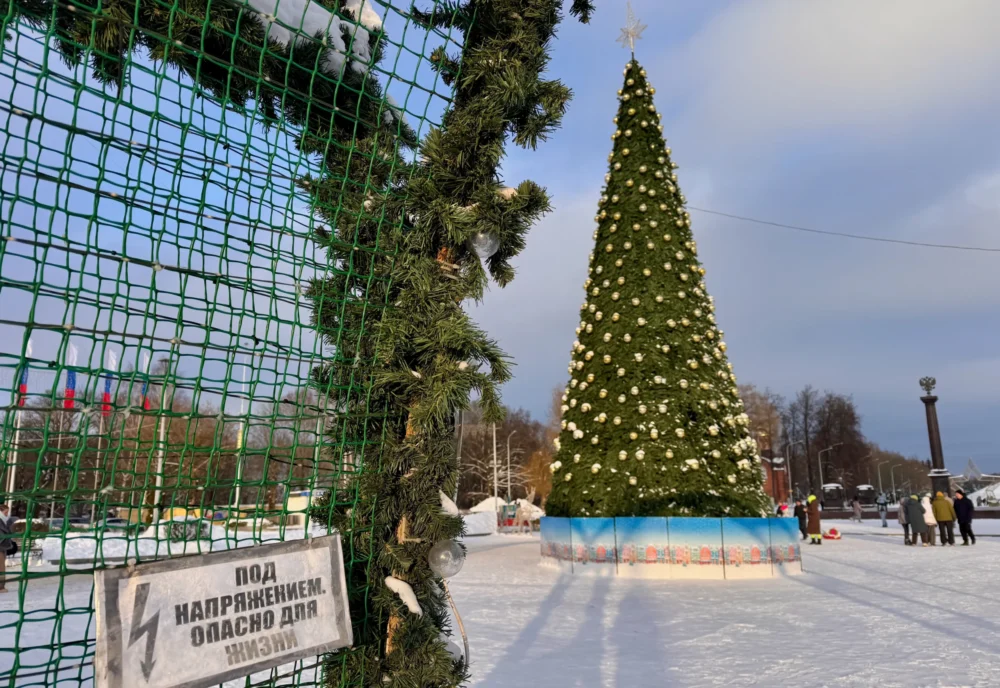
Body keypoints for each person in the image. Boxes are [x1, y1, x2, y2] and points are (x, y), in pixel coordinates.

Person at [0, 504, 14, 592]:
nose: (7, 514)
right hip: (0, 546)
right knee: (1, 567)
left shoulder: (4, 521)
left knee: (1, 566)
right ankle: (1, 587)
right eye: (6, 512)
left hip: (2, 546)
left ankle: (1, 586)